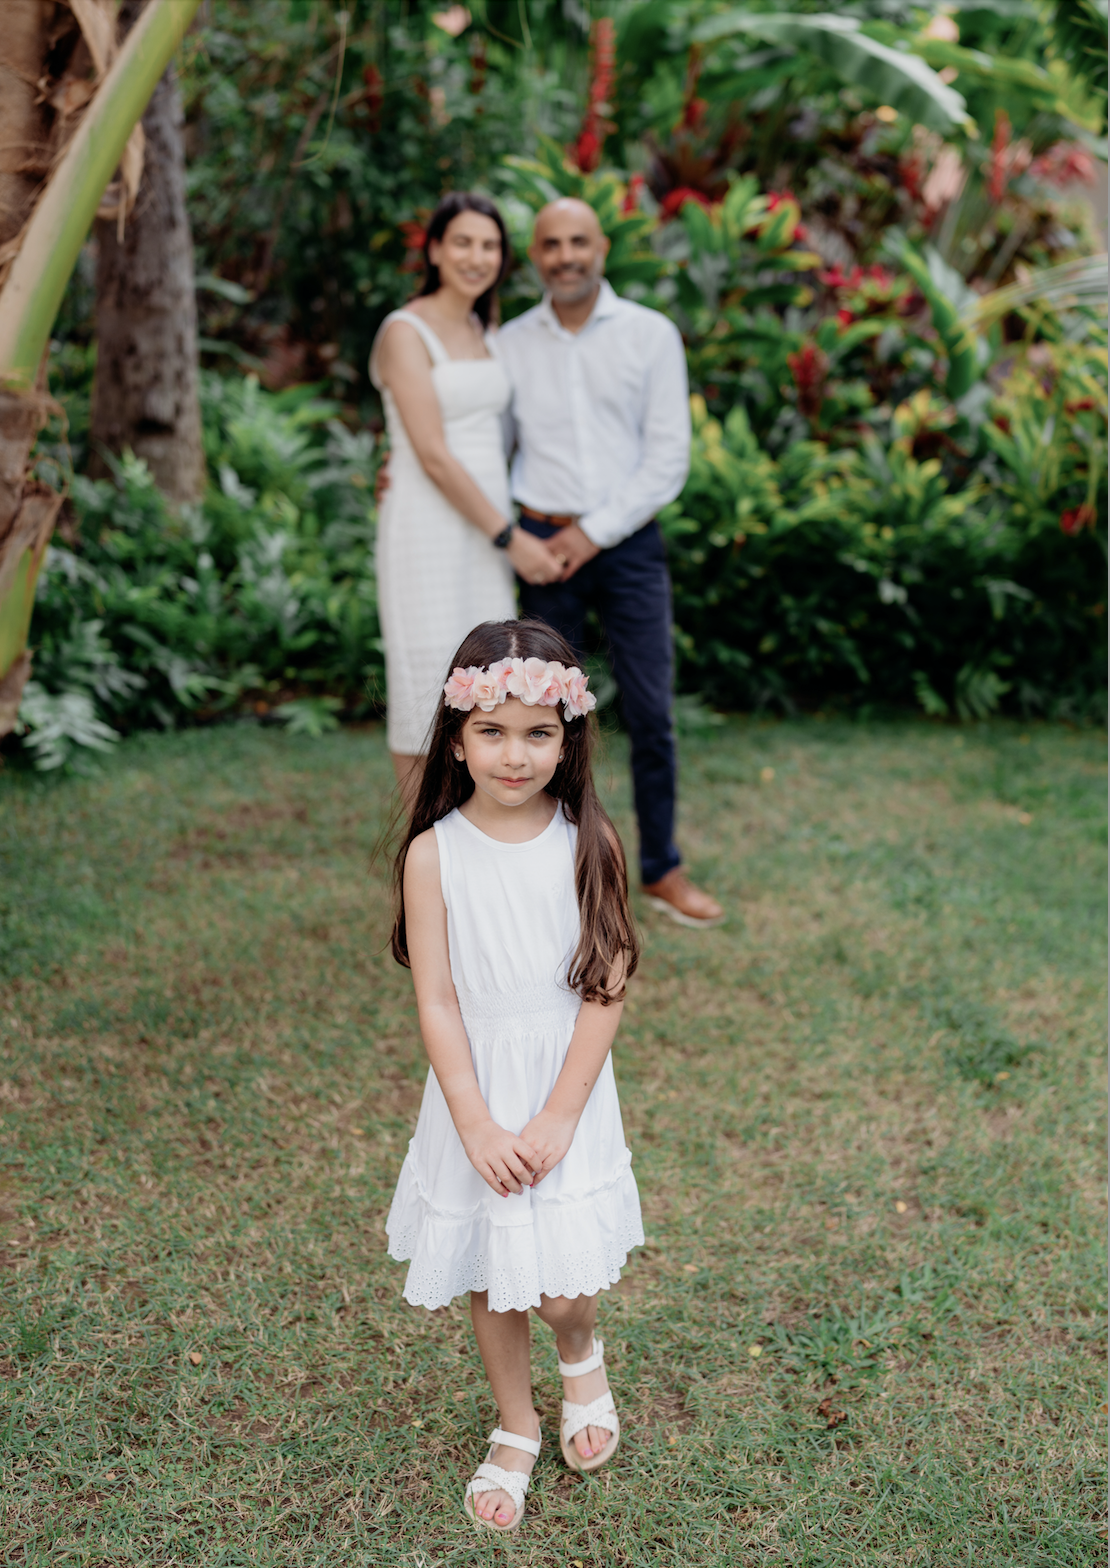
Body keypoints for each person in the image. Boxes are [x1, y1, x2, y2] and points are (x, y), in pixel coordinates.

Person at [386, 617, 644, 1533]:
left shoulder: (590, 843)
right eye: (492, 731)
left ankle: (581, 1354)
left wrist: (560, 1116)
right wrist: (478, 1126)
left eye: (538, 732)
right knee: (496, 1277)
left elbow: (607, 988)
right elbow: (440, 1005)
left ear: (568, 736)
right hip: (477, 1095)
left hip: (563, 1089)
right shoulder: (434, 855)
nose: (514, 754)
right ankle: (516, 1424)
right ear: (457, 737)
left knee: (564, 1286)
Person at [496, 197, 724, 929]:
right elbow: (486, 449)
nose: (566, 255)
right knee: (543, 717)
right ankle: (550, 871)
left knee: (651, 711)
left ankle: (660, 867)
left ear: (602, 248)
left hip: (626, 547)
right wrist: (518, 533)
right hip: (538, 542)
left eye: (579, 242)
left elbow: (668, 458)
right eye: (551, 244)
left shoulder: (650, 336)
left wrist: (592, 533)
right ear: (536, 257)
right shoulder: (509, 342)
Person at [369, 192, 562, 807]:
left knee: (486, 683)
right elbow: (431, 452)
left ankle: (473, 846)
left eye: (489, 245)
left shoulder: (489, 329)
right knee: (423, 687)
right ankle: (422, 855)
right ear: (434, 250)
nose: (476, 257)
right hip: (429, 525)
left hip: (483, 528)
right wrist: (510, 538)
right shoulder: (405, 329)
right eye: (462, 242)